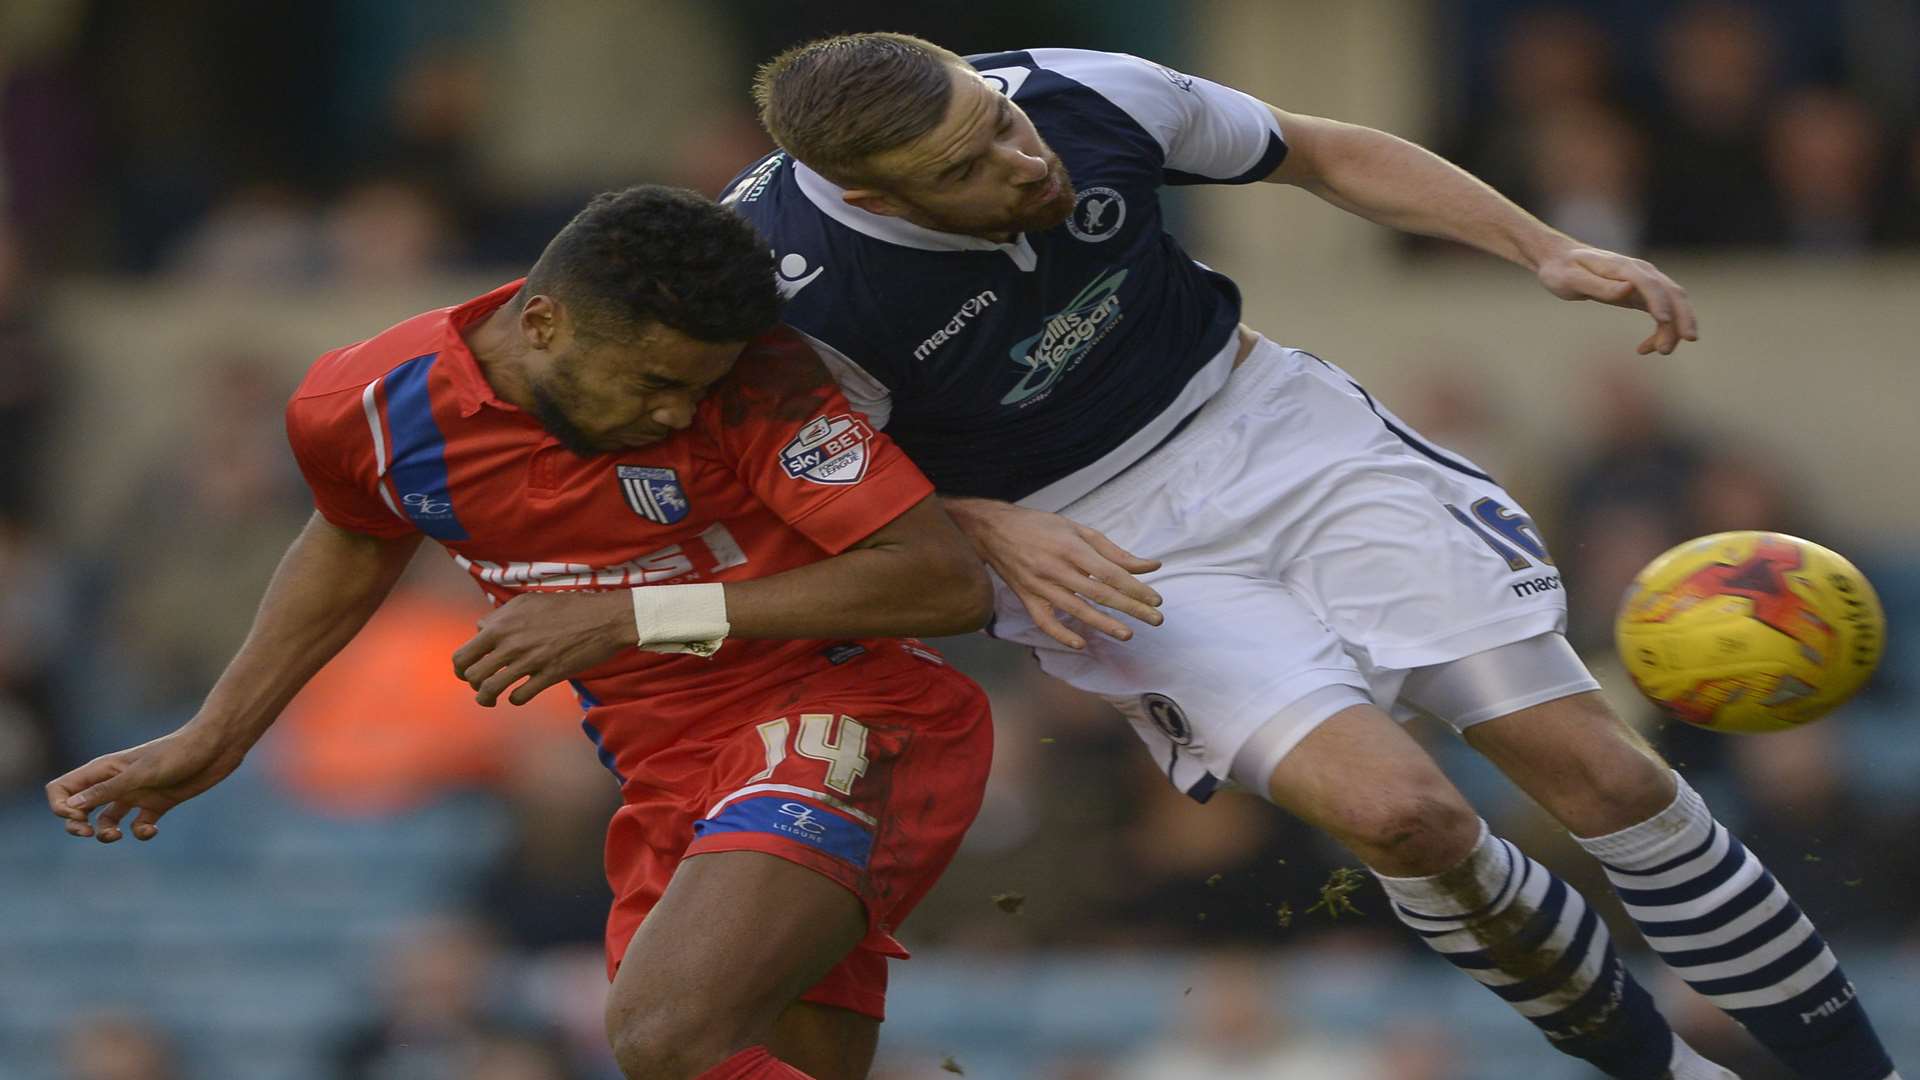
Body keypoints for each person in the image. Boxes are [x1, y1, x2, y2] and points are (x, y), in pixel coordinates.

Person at [728, 33, 1900, 1080]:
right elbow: (805, 501)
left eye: (1001, 124)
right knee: (1403, 821)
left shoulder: (1086, 93)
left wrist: (1539, 247)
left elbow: (1319, 150)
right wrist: (985, 523)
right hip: (1092, 545)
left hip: (1280, 431)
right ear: (867, 192)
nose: (1025, 163)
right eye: (968, 168)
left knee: (1605, 777)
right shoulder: (782, 298)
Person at [45, 185, 997, 1080]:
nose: (675, 410)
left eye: (694, 387)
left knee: (664, 1035)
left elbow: (940, 580)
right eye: (657, 380)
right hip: (666, 770)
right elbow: (354, 535)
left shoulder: (757, 386)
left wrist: (633, 614)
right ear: (544, 323)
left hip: (847, 709)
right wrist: (218, 736)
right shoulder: (371, 408)